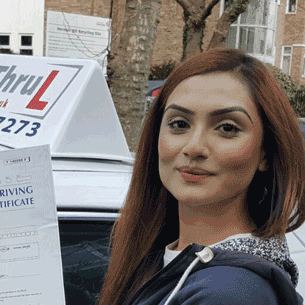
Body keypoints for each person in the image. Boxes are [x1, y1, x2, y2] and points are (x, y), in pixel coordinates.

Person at [98, 48, 305, 305]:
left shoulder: (230, 294)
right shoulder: (159, 257)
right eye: (179, 124)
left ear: (265, 152)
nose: (194, 147)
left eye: (227, 128)